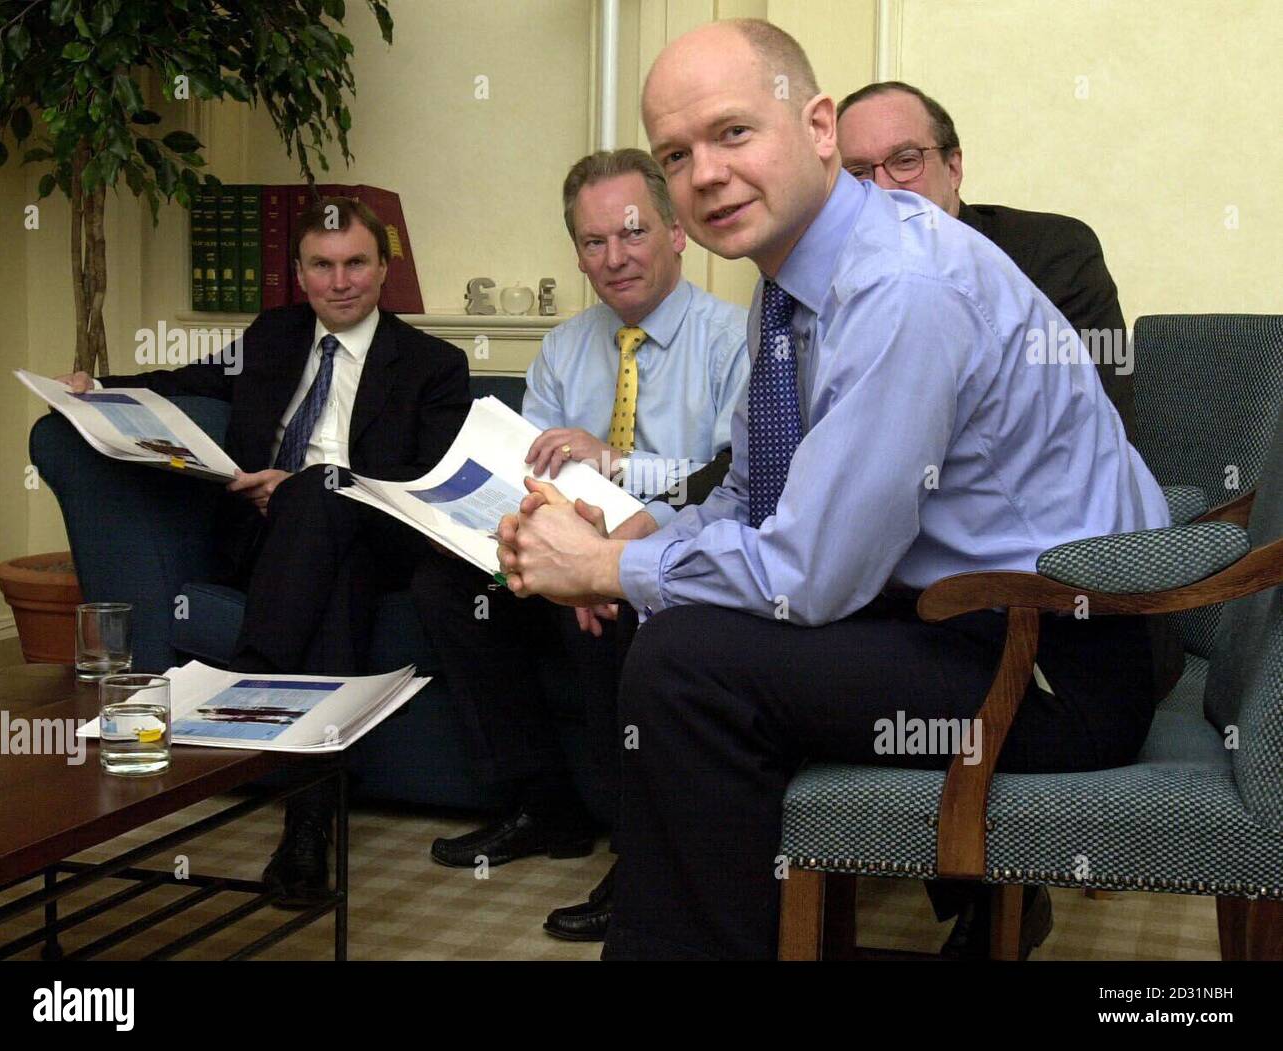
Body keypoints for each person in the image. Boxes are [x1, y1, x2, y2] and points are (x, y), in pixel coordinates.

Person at [495, 18, 1174, 961]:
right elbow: (756, 500)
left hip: (1057, 661)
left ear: (818, 128)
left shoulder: (897, 288)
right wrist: (642, 526)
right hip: (955, 618)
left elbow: (809, 574)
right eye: (677, 153)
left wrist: (613, 567)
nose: (706, 174)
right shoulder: (788, 290)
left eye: (734, 133)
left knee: (688, 666)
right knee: (682, 636)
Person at [58, 197, 470, 905]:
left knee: (321, 490)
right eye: (322, 265)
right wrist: (100, 388)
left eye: (355, 264)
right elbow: (183, 385)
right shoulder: (273, 336)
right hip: (274, 544)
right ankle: (308, 825)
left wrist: (315, 486)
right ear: (301, 273)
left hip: (382, 535)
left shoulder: (433, 364)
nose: (340, 281)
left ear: (382, 269)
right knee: (335, 585)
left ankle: (250, 676)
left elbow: (428, 485)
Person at [411, 148, 747, 942]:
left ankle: (643, 854)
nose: (615, 257)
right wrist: (541, 538)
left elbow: (731, 478)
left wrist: (616, 470)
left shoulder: (736, 339)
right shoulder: (564, 349)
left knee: (613, 605)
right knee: (448, 588)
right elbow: (526, 470)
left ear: (676, 233)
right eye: (593, 242)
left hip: (673, 554)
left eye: (632, 233)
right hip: (568, 539)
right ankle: (541, 805)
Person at [835, 81, 1134, 433]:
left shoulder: (1053, 252)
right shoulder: (833, 281)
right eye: (857, 174)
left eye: (905, 161)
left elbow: (1087, 419)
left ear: (953, 169)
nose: (882, 189)